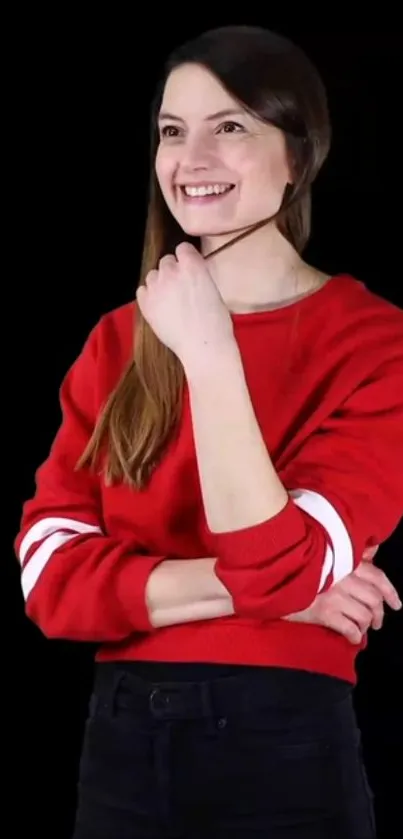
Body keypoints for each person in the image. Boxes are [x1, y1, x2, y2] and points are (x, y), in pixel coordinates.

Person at [15, 25, 403, 839]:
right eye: (171, 131)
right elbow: (49, 578)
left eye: (229, 126)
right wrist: (289, 596)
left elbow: (276, 561)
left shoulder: (374, 341)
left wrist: (208, 351)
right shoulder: (117, 339)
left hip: (283, 736)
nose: (190, 159)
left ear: (298, 155)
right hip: (121, 742)